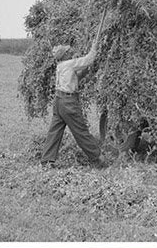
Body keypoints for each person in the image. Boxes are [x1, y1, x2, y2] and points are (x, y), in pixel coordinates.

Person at [40, 17, 107, 168]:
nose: (70, 53)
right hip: (69, 103)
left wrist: (88, 70)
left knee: (55, 131)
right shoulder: (69, 64)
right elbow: (89, 59)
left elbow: (77, 77)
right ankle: (97, 159)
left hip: (59, 102)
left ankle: (47, 161)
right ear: (63, 56)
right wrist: (94, 47)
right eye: (67, 52)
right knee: (81, 131)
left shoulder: (61, 66)